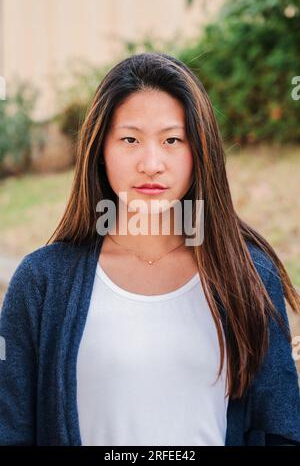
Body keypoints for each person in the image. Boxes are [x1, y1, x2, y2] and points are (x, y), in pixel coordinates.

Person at [0, 52, 300, 446]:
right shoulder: (42, 281)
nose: (152, 163)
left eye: (172, 140)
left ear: (199, 152)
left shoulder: (248, 276)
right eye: (130, 139)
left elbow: (281, 429)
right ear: (100, 152)